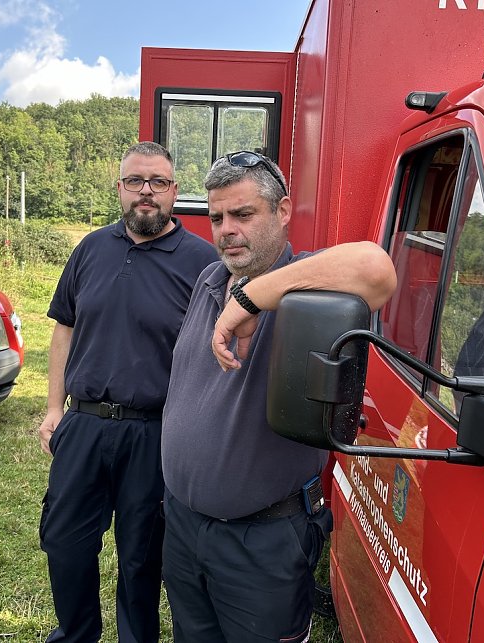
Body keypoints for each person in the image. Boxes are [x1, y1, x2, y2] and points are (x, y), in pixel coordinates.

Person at [160, 151, 397, 642]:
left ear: (283, 211)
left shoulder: (307, 286)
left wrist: (250, 299)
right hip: (185, 527)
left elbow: (377, 270)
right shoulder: (209, 279)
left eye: (243, 214)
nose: (226, 230)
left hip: (261, 540)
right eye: (217, 217)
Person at [38, 141, 218, 643]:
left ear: (174, 192)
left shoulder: (203, 264)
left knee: (141, 556)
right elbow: (64, 330)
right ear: (119, 188)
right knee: (64, 542)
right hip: (84, 423)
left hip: (154, 434)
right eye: (135, 181)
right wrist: (54, 409)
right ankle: (75, 634)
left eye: (158, 182)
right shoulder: (91, 249)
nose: (146, 192)